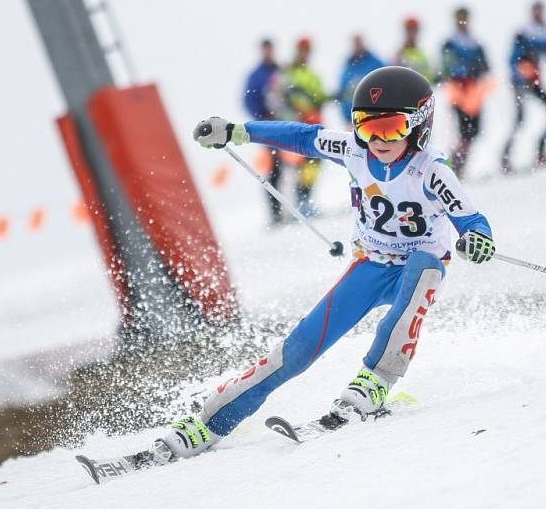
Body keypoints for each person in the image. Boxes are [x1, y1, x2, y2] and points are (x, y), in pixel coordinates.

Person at [147, 66, 496, 464]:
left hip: (418, 266)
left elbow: (471, 220)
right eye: (366, 127)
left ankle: (376, 381)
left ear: (418, 126)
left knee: (422, 273)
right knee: (298, 349)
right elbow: (302, 137)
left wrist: (478, 239)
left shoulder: (431, 169)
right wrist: (239, 131)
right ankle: (212, 420)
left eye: (390, 129)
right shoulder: (354, 150)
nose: (376, 140)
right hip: (371, 266)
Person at [500, 0, 546, 174]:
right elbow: (513, 59)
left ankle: (540, 151)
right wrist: (519, 77)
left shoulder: (545, 32)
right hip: (521, 83)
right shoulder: (524, 33)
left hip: (534, 82)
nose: (539, 14)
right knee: (520, 119)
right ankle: (505, 157)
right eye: (537, 11)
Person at [278, 37, 328, 215]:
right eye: (303, 50)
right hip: (300, 125)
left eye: (308, 50)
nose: (305, 54)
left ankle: (306, 200)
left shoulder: (311, 74)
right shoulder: (290, 73)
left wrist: (324, 98)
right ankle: (301, 203)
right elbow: (288, 97)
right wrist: (304, 105)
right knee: (300, 163)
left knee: (314, 163)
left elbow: (320, 96)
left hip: (315, 124)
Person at [441, 7, 491, 178]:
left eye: (465, 18)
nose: (462, 21)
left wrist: (478, 70)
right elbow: (445, 67)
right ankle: (456, 165)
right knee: (464, 130)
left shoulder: (475, 42)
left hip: (474, 92)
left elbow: (485, 65)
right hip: (459, 92)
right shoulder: (450, 43)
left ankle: (459, 163)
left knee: (474, 131)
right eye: (460, 18)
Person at [243, 38, 284, 225]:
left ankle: (297, 205)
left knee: (294, 166)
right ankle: (275, 212)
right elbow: (248, 100)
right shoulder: (256, 76)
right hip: (269, 128)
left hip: (286, 124)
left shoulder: (280, 70)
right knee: (273, 170)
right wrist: (262, 116)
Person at [337, 35, 385, 126]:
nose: (357, 46)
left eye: (359, 42)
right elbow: (343, 93)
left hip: (374, 118)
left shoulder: (375, 63)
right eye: (355, 43)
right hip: (352, 121)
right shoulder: (348, 67)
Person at [395, 17, 434, 82]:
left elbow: (430, 77)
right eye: (409, 30)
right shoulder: (399, 55)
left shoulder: (423, 55)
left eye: (414, 30)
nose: (412, 34)